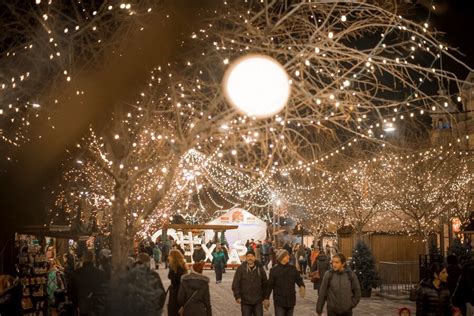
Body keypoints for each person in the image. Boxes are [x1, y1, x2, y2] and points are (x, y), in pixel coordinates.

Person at [265, 249, 305, 316]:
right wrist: (266, 298)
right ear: (281, 258)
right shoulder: (274, 270)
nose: (288, 256)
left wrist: (302, 286)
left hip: (291, 300)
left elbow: (299, 279)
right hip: (279, 301)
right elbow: (270, 285)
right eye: (286, 255)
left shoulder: (293, 269)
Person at [69, 251, 107, 316]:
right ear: (92, 258)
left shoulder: (76, 273)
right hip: (97, 306)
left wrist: (75, 304)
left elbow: (71, 291)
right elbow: (104, 289)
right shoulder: (100, 273)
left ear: (83, 259)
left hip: (83, 306)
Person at [232, 249, 268, 316]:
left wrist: (265, 297)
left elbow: (265, 283)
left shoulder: (260, 268)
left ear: (254, 257)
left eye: (251, 256)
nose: (250, 258)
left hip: (258, 301)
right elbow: (236, 283)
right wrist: (237, 296)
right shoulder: (241, 269)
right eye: (248, 256)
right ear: (246, 258)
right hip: (245, 301)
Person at [168, 249, 188, 316]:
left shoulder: (179, 269)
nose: (168, 257)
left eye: (170, 256)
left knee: (175, 312)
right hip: (175, 293)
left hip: (177, 295)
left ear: (174, 258)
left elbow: (182, 284)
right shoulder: (177, 268)